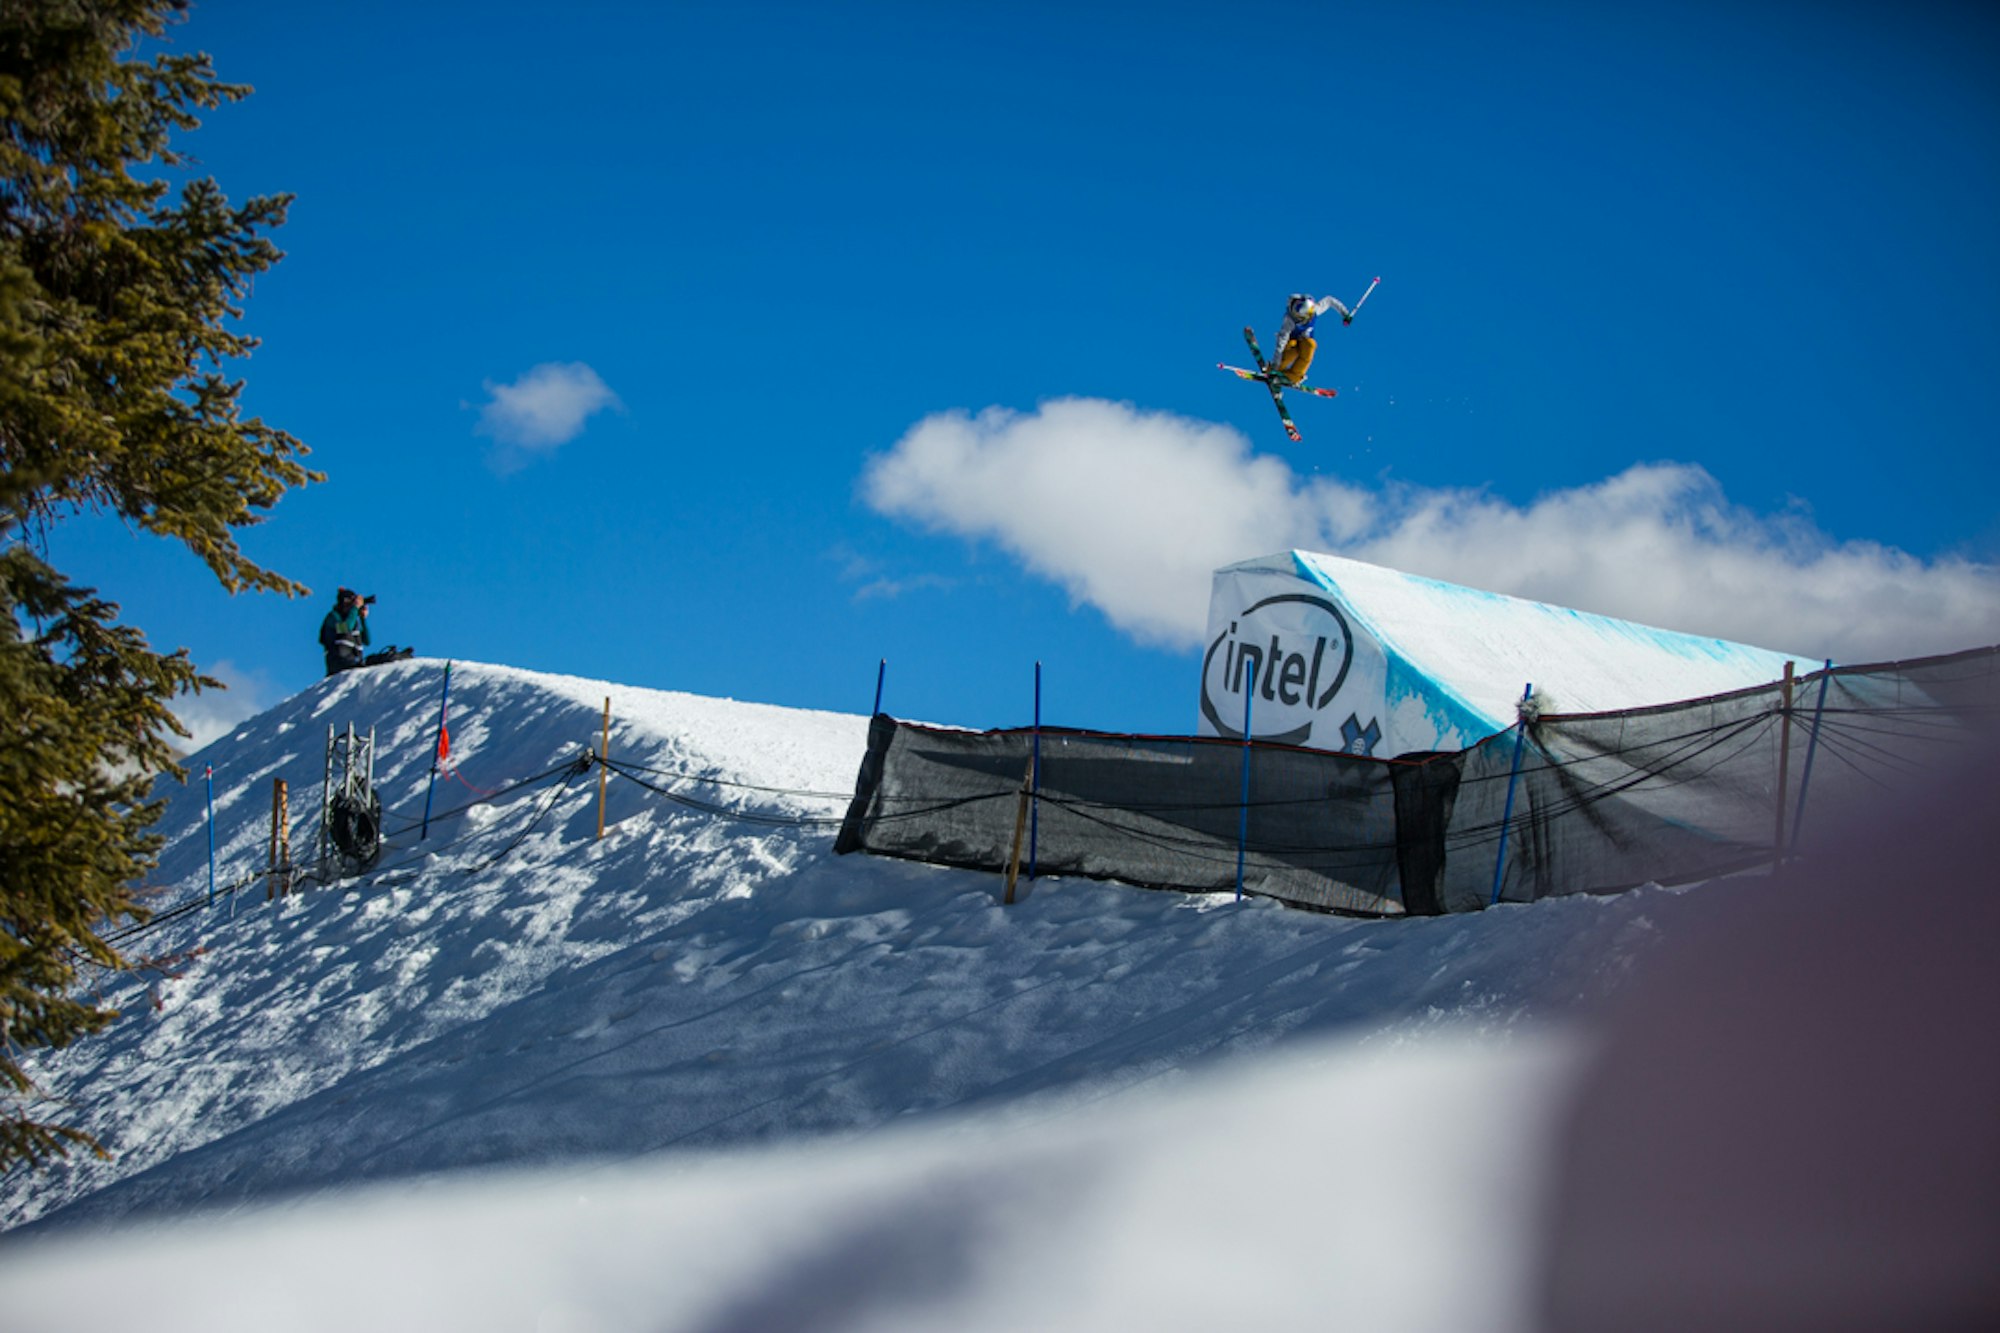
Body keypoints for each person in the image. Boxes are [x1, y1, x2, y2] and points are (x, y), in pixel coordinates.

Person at [1269, 292, 1352, 387]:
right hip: (1292, 343)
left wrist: (1345, 313)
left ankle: (1293, 377)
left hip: (1304, 341)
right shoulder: (1290, 320)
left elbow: (1329, 300)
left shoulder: (1315, 310)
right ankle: (1277, 369)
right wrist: (1275, 365)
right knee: (1292, 350)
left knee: (1310, 346)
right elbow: (1281, 343)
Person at [319, 587, 371, 676]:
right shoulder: (333, 617)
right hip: (337, 664)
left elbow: (367, 641)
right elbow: (345, 629)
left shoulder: (352, 619)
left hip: (352, 662)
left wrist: (363, 620)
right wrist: (355, 609)